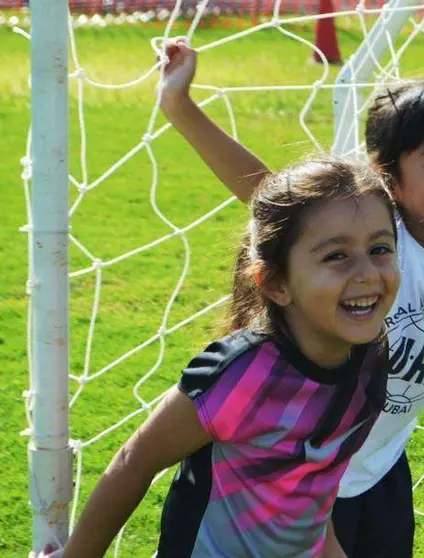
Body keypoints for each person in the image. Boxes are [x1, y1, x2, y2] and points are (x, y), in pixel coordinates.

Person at [158, 37, 424, 556]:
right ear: (388, 178)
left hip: (376, 470)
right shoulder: (381, 247)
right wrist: (179, 107)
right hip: (287, 470)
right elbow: (267, 191)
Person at [56, 159, 400, 557]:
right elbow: (135, 462)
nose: (368, 273)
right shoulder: (240, 373)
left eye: (380, 249)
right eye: (336, 256)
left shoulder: (371, 359)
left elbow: (314, 487)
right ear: (275, 283)